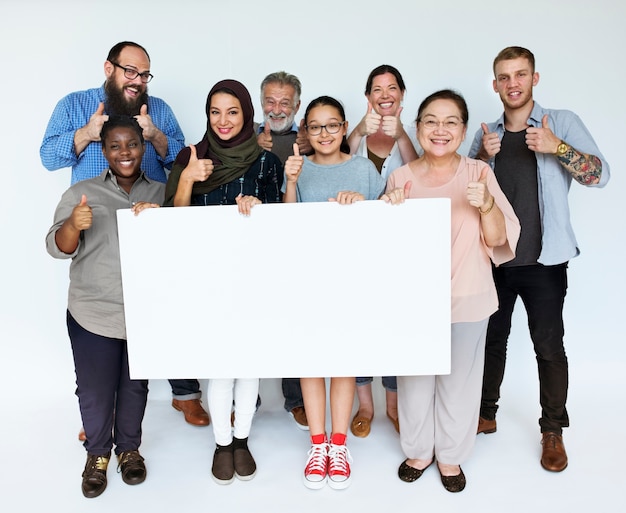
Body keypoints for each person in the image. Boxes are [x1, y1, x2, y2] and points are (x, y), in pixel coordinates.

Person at [39, 41, 209, 430]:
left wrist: (159, 139)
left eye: (144, 73)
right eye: (129, 71)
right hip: (94, 221)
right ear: (108, 68)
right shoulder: (75, 105)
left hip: (150, 218)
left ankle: (185, 395)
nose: (137, 80)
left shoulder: (159, 109)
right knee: (106, 320)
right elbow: (48, 157)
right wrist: (85, 134)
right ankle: (103, 413)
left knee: (166, 307)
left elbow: (185, 160)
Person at [469, 46, 610, 472]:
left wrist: (556, 146)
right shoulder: (487, 134)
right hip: (494, 259)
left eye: (520, 74)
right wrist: (480, 159)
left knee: (548, 347)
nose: (513, 83)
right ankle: (485, 413)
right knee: (491, 343)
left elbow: (598, 175)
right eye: (504, 77)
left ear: (534, 78)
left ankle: (552, 430)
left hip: (545, 262)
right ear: (495, 84)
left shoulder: (560, 123)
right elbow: (466, 192)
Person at [382, 89, 520, 492]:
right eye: (431, 121)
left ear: (462, 130)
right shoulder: (400, 178)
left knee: (459, 382)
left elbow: (498, 241)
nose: (439, 130)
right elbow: (385, 250)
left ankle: (450, 456)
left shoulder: (479, 173)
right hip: (414, 304)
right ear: (418, 127)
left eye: (450, 122)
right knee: (415, 380)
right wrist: (388, 209)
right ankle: (419, 450)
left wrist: (488, 206)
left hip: (468, 296)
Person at [164, 79, 283, 484]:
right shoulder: (191, 156)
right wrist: (187, 179)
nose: (223, 120)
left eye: (232, 111)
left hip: (255, 277)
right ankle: (221, 443)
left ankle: (242, 439)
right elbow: (171, 225)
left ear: (246, 114)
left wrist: (259, 207)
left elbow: (284, 224)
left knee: (249, 366)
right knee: (220, 368)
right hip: (207, 278)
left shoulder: (266, 162)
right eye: (215, 112)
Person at [46, 116, 164, 498]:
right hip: (93, 310)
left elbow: (179, 249)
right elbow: (57, 248)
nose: (124, 152)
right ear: (104, 152)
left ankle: (129, 450)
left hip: (143, 312)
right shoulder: (82, 193)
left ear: (142, 147)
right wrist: (74, 225)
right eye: (115, 146)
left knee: (135, 387)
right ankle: (97, 455)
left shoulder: (162, 192)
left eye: (131, 144)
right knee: (95, 391)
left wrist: (163, 222)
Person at [283, 95, 387, 490]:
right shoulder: (299, 168)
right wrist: (291, 182)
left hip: (352, 281)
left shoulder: (363, 169)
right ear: (305, 132)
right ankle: (317, 443)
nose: (323, 133)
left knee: (342, 362)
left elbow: (384, 220)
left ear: (345, 128)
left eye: (331, 125)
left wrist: (362, 204)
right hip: (307, 281)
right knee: (311, 363)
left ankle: (339, 444)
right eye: (315, 126)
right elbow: (286, 225)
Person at [346, 64, 420, 438]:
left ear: (402, 96)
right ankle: (365, 406)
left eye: (393, 88)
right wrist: (361, 127)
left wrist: (403, 133)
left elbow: (419, 172)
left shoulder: (416, 135)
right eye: (377, 89)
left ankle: (392, 405)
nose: (385, 94)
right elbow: (337, 162)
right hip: (355, 251)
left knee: (392, 324)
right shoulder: (354, 136)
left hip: (397, 252)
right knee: (359, 325)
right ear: (368, 97)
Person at [256, 70, 310, 430]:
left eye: (285, 103)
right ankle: (245, 398)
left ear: (297, 106)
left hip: (298, 245)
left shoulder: (310, 139)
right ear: (261, 104)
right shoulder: (245, 136)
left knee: (295, 321)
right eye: (270, 102)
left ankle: (296, 399)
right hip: (253, 242)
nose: (277, 109)